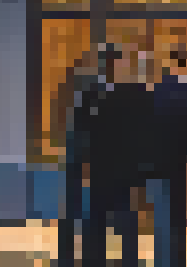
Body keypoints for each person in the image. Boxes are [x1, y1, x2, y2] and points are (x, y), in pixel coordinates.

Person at [86, 47, 151, 267]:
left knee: (104, 221)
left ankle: (104, 259)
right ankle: (125, 260)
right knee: (121, 221)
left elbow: (89, 133)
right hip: (118, 168)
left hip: (105, 168)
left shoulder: (96, 94)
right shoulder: (130, 94)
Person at [56, 47, 117, 267]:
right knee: (88, 206)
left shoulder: (87, 84)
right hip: (89, 152)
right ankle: (85, 254)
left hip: (81, 150)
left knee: (78, 205)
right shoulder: (98, 88)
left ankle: (73, 253)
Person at [149, 48, 187, 267]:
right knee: (178, 212)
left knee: (162, 213)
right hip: (182, 160)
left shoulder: (157, 91)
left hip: (160, 160)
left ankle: (163, 258)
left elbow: (151, 126)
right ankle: (178, 258)